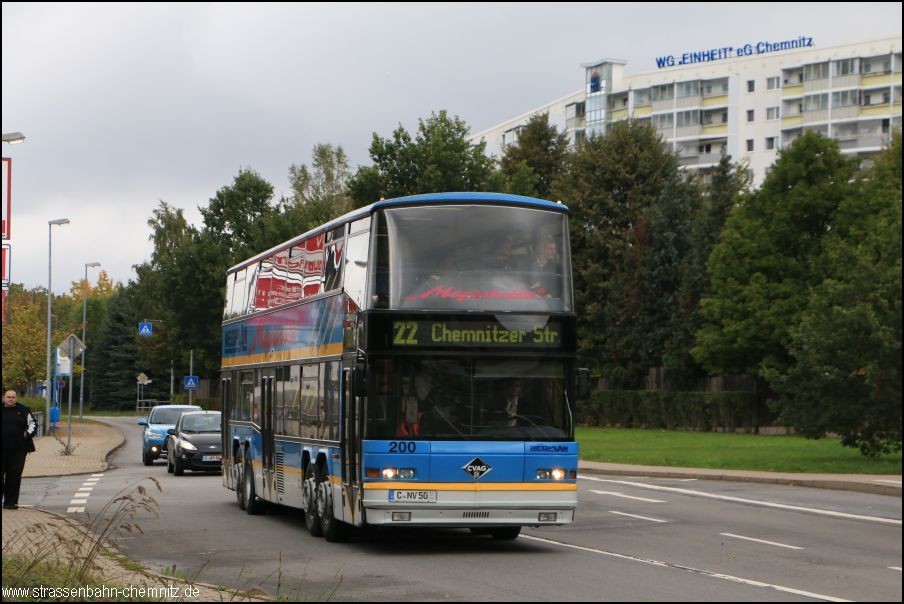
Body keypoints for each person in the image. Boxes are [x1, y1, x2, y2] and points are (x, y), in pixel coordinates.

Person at [2, 390, 38, 510]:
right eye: (8, 397)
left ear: (16, 398)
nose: (11, 399)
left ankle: (10, 503)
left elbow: (33, 424)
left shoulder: (23, 410)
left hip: (18, 450)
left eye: (13, 397)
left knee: (14, 476)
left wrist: (27, 434)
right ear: (4, 397)